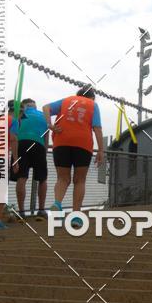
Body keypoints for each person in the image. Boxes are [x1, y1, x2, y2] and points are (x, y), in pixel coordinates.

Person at [42, 85, 104, 227]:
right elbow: (97, 128)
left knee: (62, 178)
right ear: (92, 97)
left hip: (61, 141)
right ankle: (76, 216)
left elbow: (46, 107)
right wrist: (101, 150)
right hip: (82, 143)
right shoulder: (93, 105)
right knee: (79, 180)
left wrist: (49, 125)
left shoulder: (67, 100)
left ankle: (57, 203)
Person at [9, 99, 49, 219]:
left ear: (24, 106)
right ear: (35, 107)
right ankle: (41, 210)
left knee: (22, 177)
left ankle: (21, 212)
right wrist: (44, 151)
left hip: (21, 143)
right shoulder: (43, 116)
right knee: (42, 178)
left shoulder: (18, 115)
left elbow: (13, 135)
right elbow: (47, 135)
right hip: (39, 144)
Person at [0, 100, 17, 231]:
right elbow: (13, 139)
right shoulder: (14, 121)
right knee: (1, 189)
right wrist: (15, 160)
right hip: (0, 156)